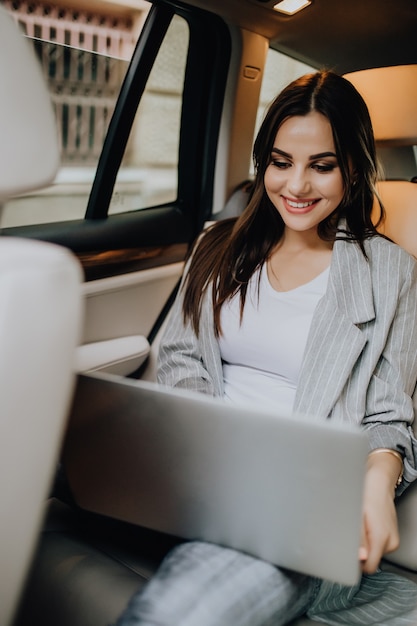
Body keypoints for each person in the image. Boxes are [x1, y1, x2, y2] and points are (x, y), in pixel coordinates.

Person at [115, 70, 417, 625]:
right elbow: (182, 359)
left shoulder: (391, 273)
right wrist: (203, 453)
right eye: (281, 162)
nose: (296, 186)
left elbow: (388, 415)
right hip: (192, 480)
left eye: (321, 166)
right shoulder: (218, 245)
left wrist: (378, 480)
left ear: (353, 167)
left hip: (295, 511)